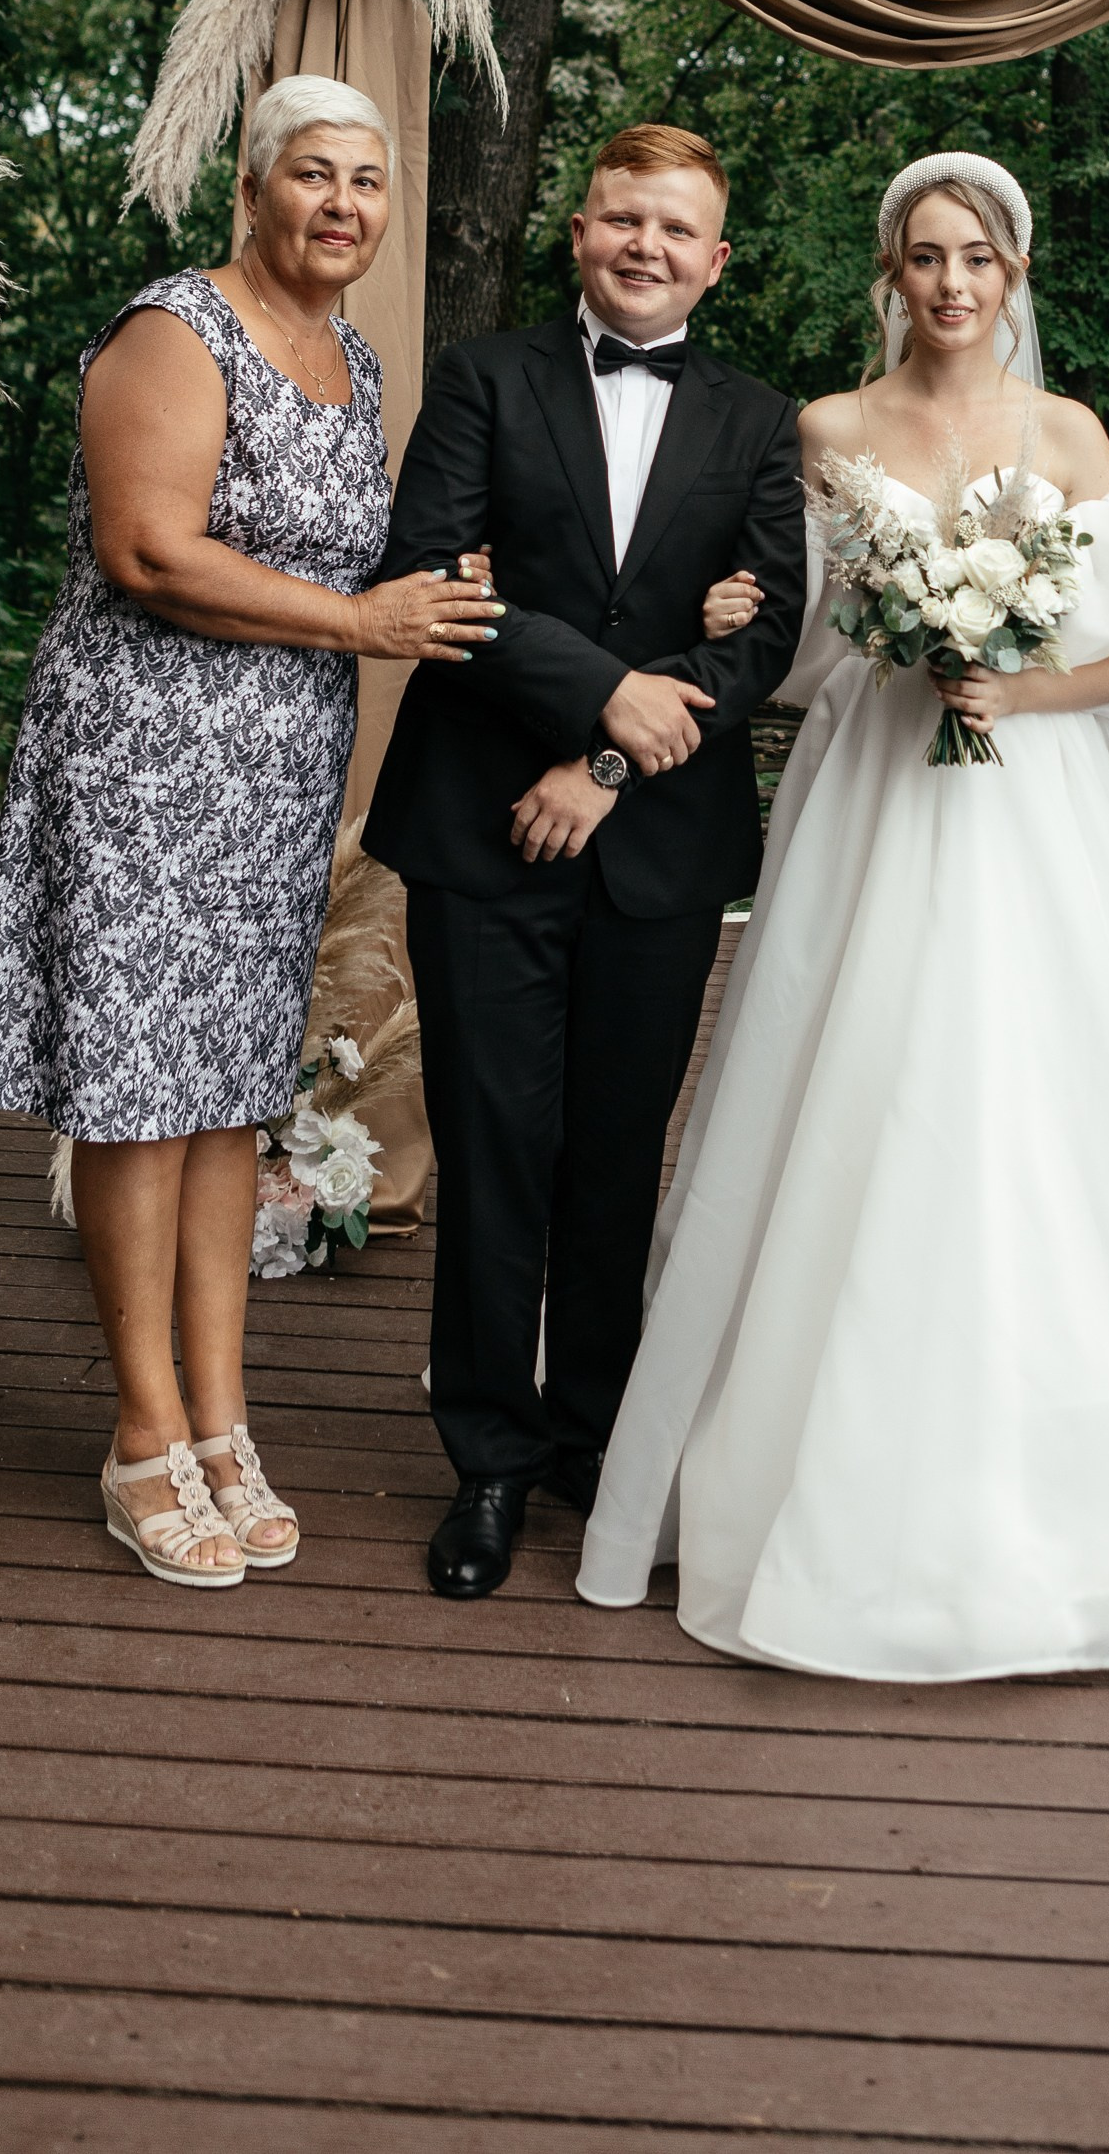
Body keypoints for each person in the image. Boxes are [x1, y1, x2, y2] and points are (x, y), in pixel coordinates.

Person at [577, 153, 1109, 1682]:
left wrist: (1014, 682)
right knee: (864, 1087)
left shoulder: (1068, 435)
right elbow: (791, 640)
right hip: (876, 799)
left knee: (1052, 1110)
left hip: (1039, 807)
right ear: (891, 274)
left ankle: (1096, 1505)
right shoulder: (829, 429)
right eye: (923, 257)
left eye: (977, 257)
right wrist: (743, 617)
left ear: (1014, 275)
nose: (951, 283)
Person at [0, 76, 501, 1588]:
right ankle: (143, 1436)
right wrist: (352, 621)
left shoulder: (355, 359)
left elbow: (381, 559)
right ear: (252, 191)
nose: (342, 203)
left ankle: (222, 1422)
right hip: (143, 755)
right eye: (312, 175)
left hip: (271, 779)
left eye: (367, 182)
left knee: (225, 1093)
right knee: (138, 1092)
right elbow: (147, 548)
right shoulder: (171, 331)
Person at [363, 123, 809, 1605]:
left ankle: (592, 1441)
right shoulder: (485, 381)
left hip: (655, 848)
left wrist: (610, 757)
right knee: (494, 1151)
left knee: (616, 1159)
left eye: (676, 231)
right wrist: (594, 691)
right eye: (623, 220)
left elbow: (763, 633)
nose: (645, 248)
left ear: (716, 257)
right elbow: (433, 575)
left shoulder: (756, 420)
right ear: (579, 231)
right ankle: (486, 1457)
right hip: (479, 829)